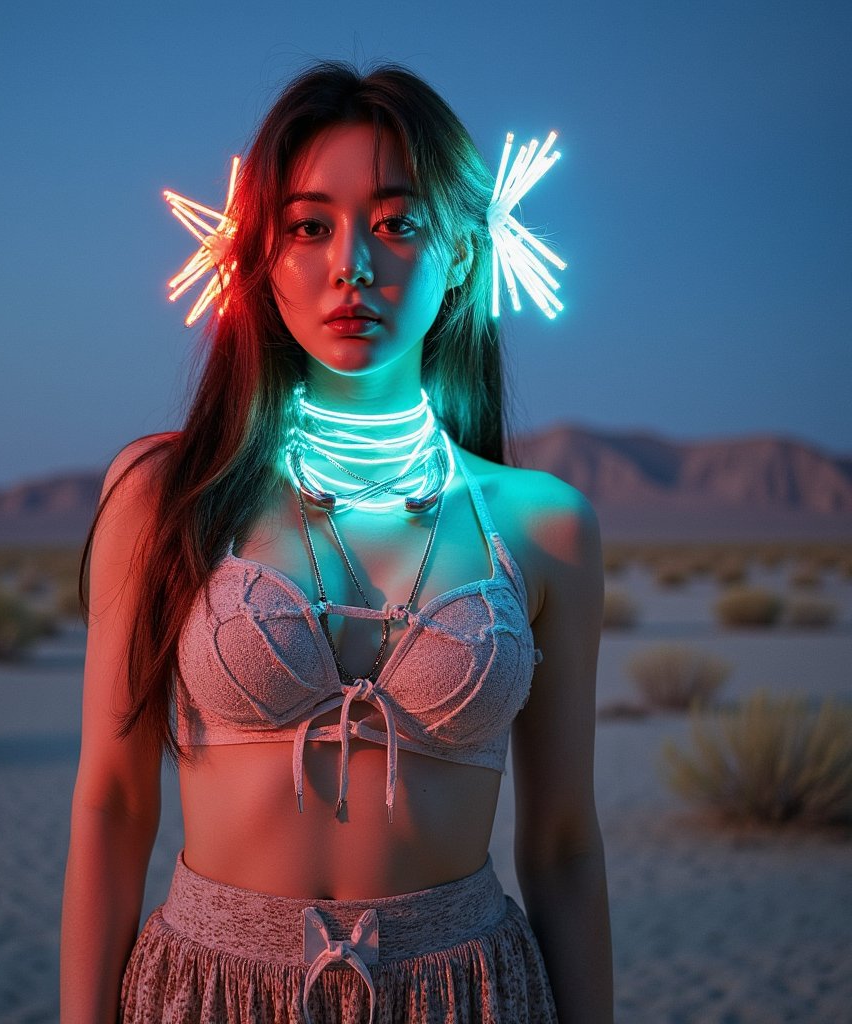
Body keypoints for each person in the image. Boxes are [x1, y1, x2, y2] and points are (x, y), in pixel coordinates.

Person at [60, 61, 612, 1024]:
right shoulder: (165, 498)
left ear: (465, 256)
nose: (351, 262)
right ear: (262, 255)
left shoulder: (544, 527)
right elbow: (112, 806)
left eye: (398, 223)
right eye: (309, 226)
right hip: (209, 992)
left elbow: (563, 842)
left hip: (467, 993)